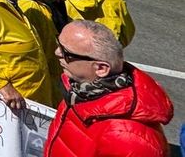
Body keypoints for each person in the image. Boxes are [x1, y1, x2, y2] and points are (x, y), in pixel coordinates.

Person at [44, 20, 174, 157]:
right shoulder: (79, 90)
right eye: (58, 44)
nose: (56, 52)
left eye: (67, 53)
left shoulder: (129, 139)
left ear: (100, 68)